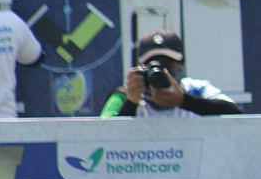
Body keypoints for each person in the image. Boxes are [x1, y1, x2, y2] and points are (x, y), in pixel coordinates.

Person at [99, 30, 243, 118]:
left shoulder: (196, 89)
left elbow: (236, 114)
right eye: (152, 65)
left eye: (168, 64)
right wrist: (131, 104)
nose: (161, 71)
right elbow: (103, 135)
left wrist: (183, 101)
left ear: (181, 66)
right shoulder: (124, 95)